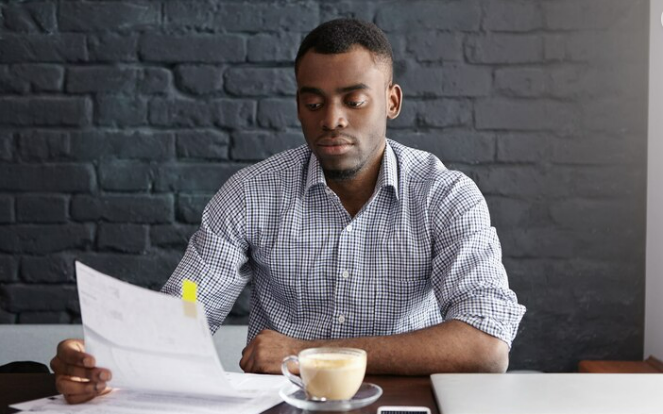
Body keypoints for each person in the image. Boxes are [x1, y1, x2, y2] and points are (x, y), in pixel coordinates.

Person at [51, 18, 526, 404]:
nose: (332, 119)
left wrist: (308, 353)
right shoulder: (249, 195)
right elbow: (185, 313)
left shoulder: (445, 196)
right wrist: (100, 359)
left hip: (398, 406)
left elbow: (486, 348)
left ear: (392, 101)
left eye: (354, 100)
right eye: (313, 101)